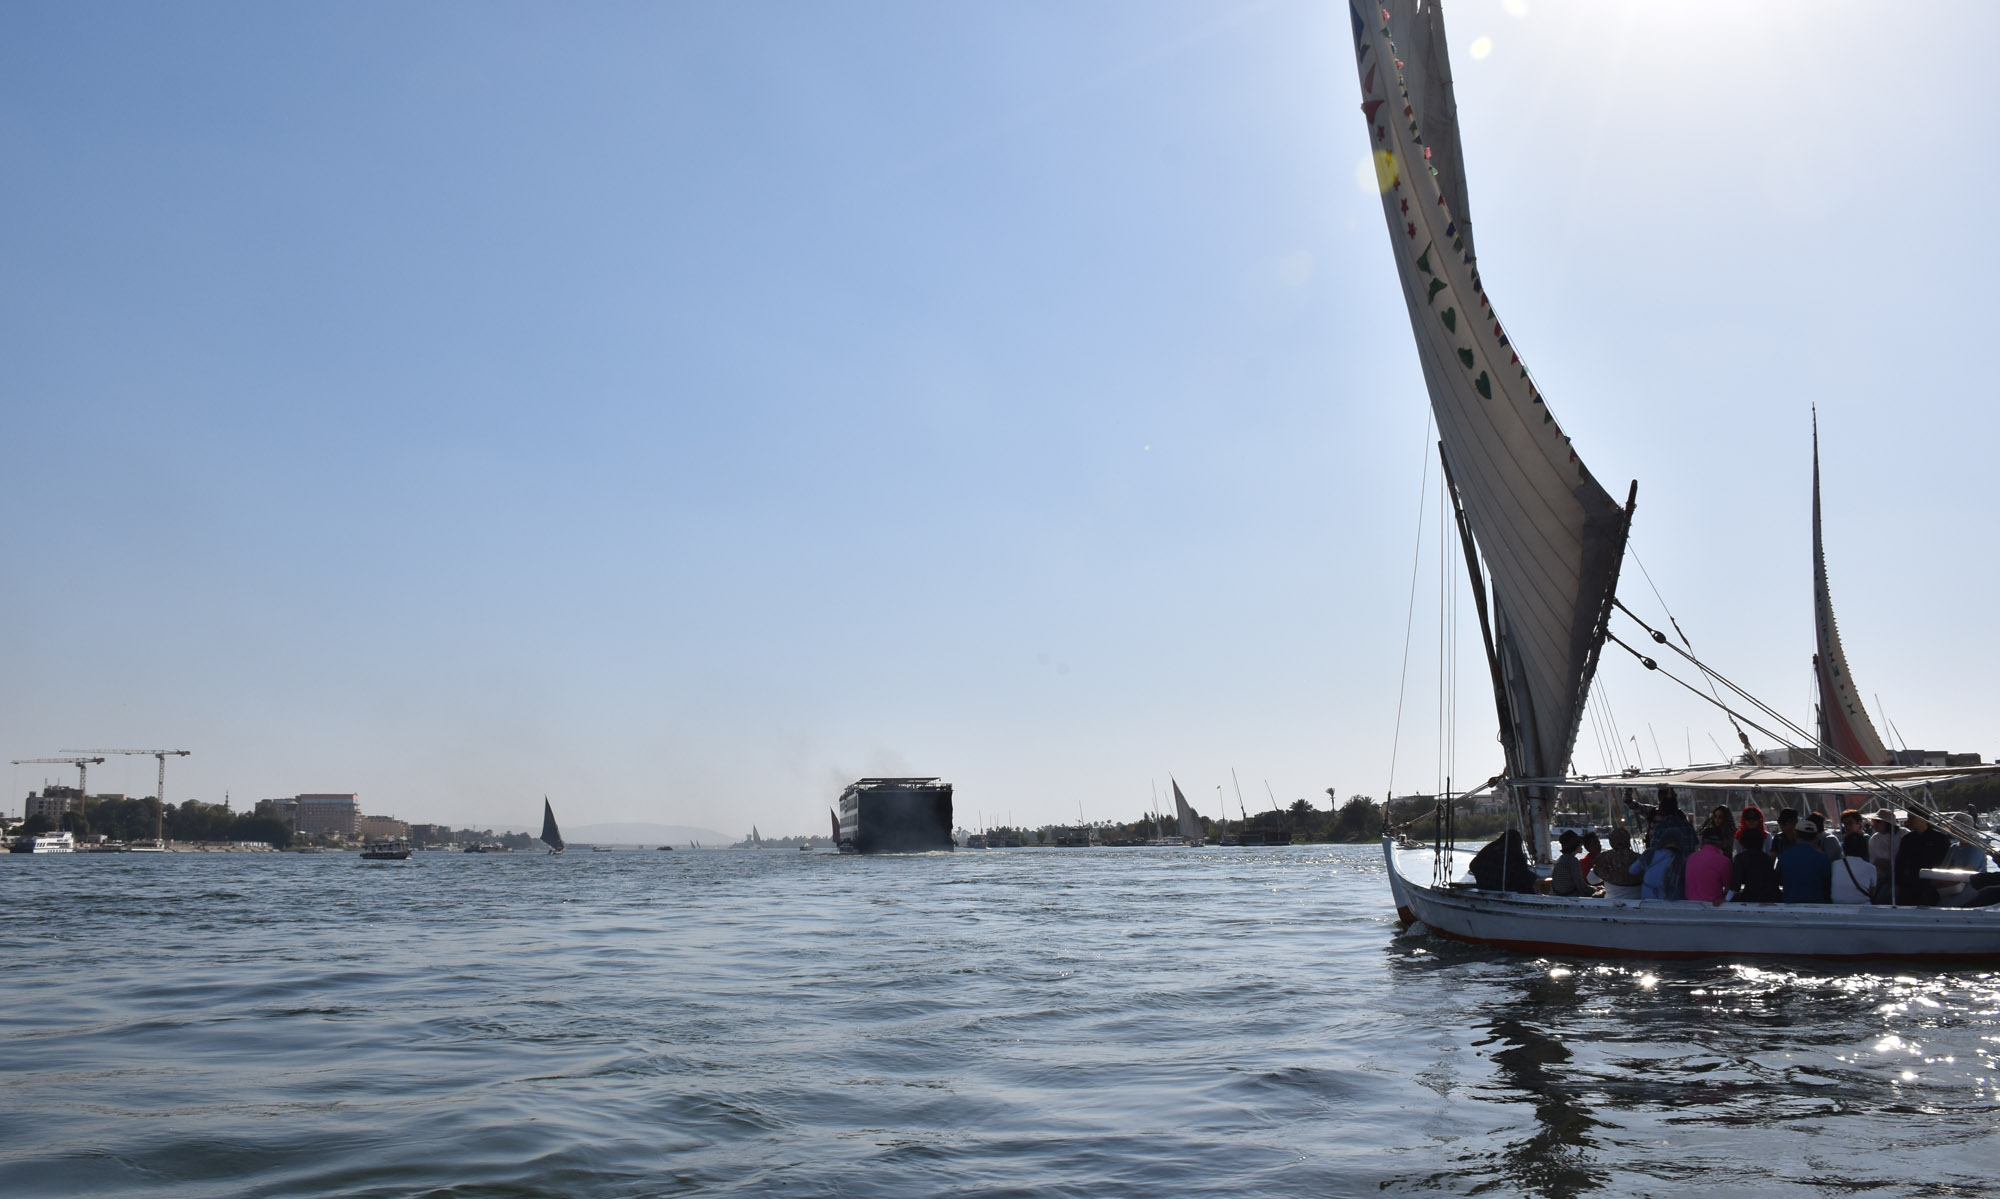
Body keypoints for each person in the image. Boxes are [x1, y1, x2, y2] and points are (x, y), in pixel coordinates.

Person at [1892, 812, 1952, 907]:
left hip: (1932, 884)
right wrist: (1897, 884)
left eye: (1912, 818)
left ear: (1923, 819)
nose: (1908, 821)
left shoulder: (1940, 839)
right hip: (1910, 883)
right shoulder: (1907, 839)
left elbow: (1947, 862)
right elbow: (1900, 863)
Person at [1775, 813, 1833, 903]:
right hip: (1818, 905)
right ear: (1815, 838)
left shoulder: (1784, 856)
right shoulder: (1823, 858)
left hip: (1790, 903)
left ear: (1795, 835)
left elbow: (1777, 880)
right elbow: (1827, 884)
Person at [1469, 829, 1538, 894]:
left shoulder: (1490, 848)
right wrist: (1534, 878)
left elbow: (1473, 865)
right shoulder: (1513, 853)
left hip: (1485, 887)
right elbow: (1520, 873)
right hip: (1501, 888)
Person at [1728, 824, 1781, 903]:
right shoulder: (1766, 857)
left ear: (1743, 842)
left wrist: (1726, 898)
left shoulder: (1741, 858)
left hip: (1752, 897)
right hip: (1771, 897)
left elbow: (1736, 884)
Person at [1685, 826, 1733, 905]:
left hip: (1689, 904)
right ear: (1722, 843)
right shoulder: (1724, 861)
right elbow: (1729, 889)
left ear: (1702, 841)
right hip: (1714, 906)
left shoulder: (1691, 858)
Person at [1830, 832, 1877, 905]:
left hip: (1837, 905)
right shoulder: (1871, 868)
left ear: (1844, 847)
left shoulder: (1834, 864)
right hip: (1863, 905)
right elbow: (1873, 892)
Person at [1596, 827, 1642, 900]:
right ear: (1628, 840)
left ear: (1611, 842)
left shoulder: (1603, 858)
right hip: (1637, 901)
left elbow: (1591, 879)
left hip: (1611, 901)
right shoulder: (1640, 858)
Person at [1548, 829, 1594, 897]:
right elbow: (1580, 884)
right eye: (1580, 844)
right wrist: (1594, 890)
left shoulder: (1561, 859)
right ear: (1575, 846)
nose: (1582, 846)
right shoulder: (1573, 861)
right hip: (1570, 895)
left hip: (1559, 895)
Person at [1868, 808, 1905, 891]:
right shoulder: (1874, 839)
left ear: (1888, 823)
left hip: (1901, 875)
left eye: (1878, 822)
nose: (1875, 825)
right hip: (1882, 876)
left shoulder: (1903, 834)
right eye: (1874, 821)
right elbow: (1872, 861)